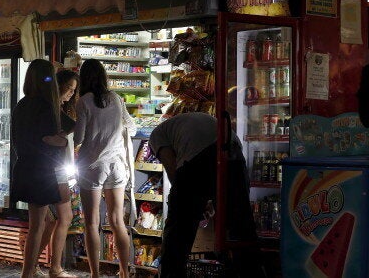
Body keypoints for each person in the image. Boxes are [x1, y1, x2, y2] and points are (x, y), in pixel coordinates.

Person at [148, 112, 262, 278]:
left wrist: (194, 201)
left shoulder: (155, 137)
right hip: (232, 149)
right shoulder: (183, 123)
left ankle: (171, 274)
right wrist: (206, 200)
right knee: (240, 224)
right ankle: (251, 272)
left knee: (179, 230)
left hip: (199, 155)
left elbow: (174, 172)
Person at [74, 59, 135, 278]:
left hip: (92, 166)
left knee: (91, 222)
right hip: (117, 165)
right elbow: (133, 127)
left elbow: (79, 137)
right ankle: (124, 273)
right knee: (118, 221)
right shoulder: (117, 99)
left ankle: (95, 274)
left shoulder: (83, 102)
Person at [11, 59, 69, 278]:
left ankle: (30, 270)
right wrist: (63, 141)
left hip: (25, 166)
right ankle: (27, 273)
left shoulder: (22, 105)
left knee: (42, 221)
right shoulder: (45, 105)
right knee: (37, 225)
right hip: (42, 170)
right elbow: (49, 139)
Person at [34, 69, 80, 278]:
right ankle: (54, 268)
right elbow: (53, 139)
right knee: (64, 217)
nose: (70, 93)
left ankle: (35, 263)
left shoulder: (60, 110)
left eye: (73, 90)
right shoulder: (54, 112)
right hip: (55, 170)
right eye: (68, 88)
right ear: (58, 86)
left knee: (52, 220)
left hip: (60, 169)